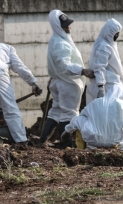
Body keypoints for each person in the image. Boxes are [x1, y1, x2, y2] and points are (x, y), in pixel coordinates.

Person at [39, 10, 95, 144]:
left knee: (56, 111)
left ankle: (42, 141)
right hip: (68, 83)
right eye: (65, 25)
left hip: (58, 81)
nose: (68, 27)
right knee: (69, 114)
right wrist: (82, 71)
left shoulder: (56, 40)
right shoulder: (61, 44)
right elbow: (64, 65)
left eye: (68, 24)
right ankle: (66, 145)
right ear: (58, 26)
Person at [61, 86, 123, 150]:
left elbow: (81, 117)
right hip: (113, 142)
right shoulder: (122, 104)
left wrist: (68, 130)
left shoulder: (95, 102)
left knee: (78, 119)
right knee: (122, 125)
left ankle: (67, 133)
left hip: (93, 140)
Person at [86, 18, 123, 103]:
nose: (116, 36)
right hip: (108, 87)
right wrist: (101, 87)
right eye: (115, 34)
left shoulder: (107, 44)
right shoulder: (104, 47)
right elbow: (99, 67)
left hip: (110, 86)